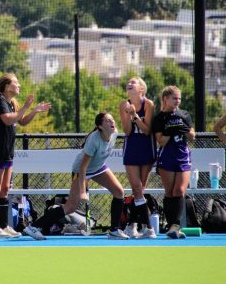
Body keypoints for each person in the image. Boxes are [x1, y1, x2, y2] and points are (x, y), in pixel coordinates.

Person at [31, 113, 129, 240]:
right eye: (108, 121)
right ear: (100, 126)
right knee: (70, 206)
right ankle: (34, 227)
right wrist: (83, 191)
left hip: (99, 167)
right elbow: (83, 167)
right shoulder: (94, 140)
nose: (112, 122)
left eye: (112, 120)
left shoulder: (114, 133)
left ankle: (115, 230)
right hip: (81, 170)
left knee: (119, 191)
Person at [0, 73, 51, 239]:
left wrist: (34, 110)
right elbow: (7, 120)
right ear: (6, 86)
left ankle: (4, 227)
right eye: (15, 82)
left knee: (5, 190)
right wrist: (26, 106)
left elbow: (22, 121)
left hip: (7, 153)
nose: (18, 85)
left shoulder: (12, 103)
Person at [152, 86, 195, 239]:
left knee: (180, 191)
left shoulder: (184, 114)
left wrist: (183, 129)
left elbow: (192, 136)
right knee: (169, 192)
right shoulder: (159, 118)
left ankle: (176, 225)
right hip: (167, 158)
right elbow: (161, 141)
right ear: (165, 98)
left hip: (183, 157)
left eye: (179, 98)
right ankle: (171, 227)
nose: (177, 101)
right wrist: (170, 130)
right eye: (174, 98)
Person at [118, 77, 157, 239]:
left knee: (140, 189)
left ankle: (132, 225)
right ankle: (148, 228)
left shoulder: (148, 104)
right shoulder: (123, 104)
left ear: (141, 89)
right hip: (132, 148)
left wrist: (134, 115)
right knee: (136, 188)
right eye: (128, 82)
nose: (129, 84)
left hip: (146, 148)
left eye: (133, 82)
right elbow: (127, 131)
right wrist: (128, 113)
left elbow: (147, 130)